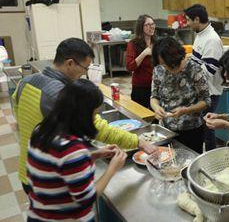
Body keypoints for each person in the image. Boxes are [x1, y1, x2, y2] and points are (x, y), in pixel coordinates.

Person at [13, 38, 156, 195]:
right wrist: (138, 142)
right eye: (85, 68)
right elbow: (97, 128)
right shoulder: (62, 95)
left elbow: (20, 118)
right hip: (52, 179)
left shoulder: (25, 82)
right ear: (70, 63)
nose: (85, 73)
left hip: (28, 169)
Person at [27, 79, 127, 221]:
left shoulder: (41, 130)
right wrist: (112, 168)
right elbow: (87, 199)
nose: (95, 118)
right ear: (83, 114)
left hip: (38, 215)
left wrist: (93, 155)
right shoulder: (73, 150)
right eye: (94, 113)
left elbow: (56, 166)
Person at [150, 37, 211, 153]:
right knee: (168, 164)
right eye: (161, 63)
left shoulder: (193, 69)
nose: (164, 67)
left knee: (189, 166)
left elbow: (206, 101)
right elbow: (154, 96)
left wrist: (186, 110)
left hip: (191, 130)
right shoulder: (158, 70)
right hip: (166, 130)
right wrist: (156, 108)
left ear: (175, 57)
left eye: (167, 63)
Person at [185, 4, 224, 151]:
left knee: (208, 129)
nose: (187, 23)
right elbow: (197, 61)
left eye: (189, 20)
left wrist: (186, 69)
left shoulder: (211, 40)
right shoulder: (200, 34)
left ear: (197, 19)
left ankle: (210, 157)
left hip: (209, 93)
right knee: (202, 128)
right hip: (199, 90)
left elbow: (208, 71)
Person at [126, 14, 156, 108]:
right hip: (140, 87)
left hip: (156, 86)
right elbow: (130, 67)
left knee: (155, 115)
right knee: (140, 116)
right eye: (147, 24)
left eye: (152, 24)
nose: (151, 27)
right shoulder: (133, 44)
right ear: (141, 27)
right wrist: (144, 53)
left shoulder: (157, 42)